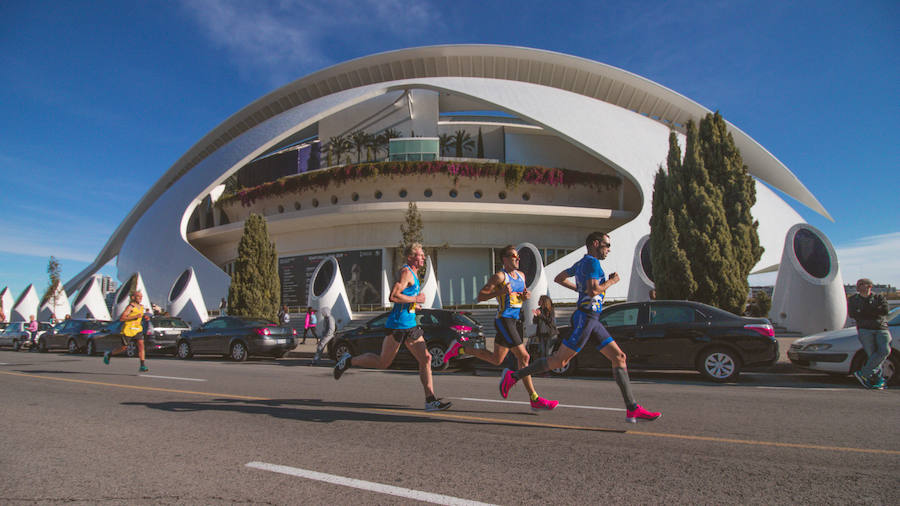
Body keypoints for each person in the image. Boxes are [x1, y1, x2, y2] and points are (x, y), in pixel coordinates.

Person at [498, 232, 661, 423]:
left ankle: (632, 409)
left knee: (619, 357)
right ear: (595, 243)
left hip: (593, 319)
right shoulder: (592, 263)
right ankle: (514, 375)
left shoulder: (582, 263)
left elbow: (559, 278)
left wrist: (579, 289)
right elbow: (593, 290)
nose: (609, 250)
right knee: (559, 361)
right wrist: (611, 282)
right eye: (607, 245)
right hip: (586, 318)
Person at [334, 243, 451, 412]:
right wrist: (415, 300)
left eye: (423, 255)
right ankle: (348, 360)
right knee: (383, 362)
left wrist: (413, 306)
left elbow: (405, 299)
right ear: (410, 257)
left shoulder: (415, 274)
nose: (423, 257)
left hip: (410, 324)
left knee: (426, 358)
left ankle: (430, 400)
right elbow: (393, 296)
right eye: (420, 255)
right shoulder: (406, 272)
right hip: (397, 325)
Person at [444, 245, 558, 411]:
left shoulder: (521, 276)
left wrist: (525, 296)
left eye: (518, 256)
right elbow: (481, 296)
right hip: (504, 320)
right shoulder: (499, 277)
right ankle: (533, 397)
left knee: (497, 359)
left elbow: (519, 296)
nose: (518, 259)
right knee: (524, 357)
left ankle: (460, 349)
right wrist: (500, 292)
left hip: (516, 320)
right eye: (514, 256)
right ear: (504, 259)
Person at [848, 278, 892, 390]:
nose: (861, 286)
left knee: (884, 351)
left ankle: (863, 373)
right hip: (864, 329)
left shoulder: (879, 297)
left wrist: (864, 311)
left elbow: (885, 311)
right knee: (872, 355)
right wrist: (873, 311)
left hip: (881, 328)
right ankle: (878, 381)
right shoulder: (853, 299)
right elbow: (853, 314)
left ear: (870, 286)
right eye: (859, 284)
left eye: (864, 284)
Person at [102, 291, 149, 372]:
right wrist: (135, 317)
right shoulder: (130, 307)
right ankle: (109, 354)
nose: (140, 298)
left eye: (141, 297)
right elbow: (122, 318)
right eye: (138, 296)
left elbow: (140, 316)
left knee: (141, 345)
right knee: (124, 347)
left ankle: (142, 365)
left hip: (138, 329)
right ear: (133, 297)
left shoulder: (141, 307)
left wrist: (145, 317)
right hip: (128, 329)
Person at [532, 295, 558, 360]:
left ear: (544, 301)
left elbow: (550, 321)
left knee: (548, 353)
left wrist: (540, 315)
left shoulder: (551, 310)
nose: (538, 301)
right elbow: (535, 322)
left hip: (550, 334)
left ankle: (548, 368)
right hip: (542, 334)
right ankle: (543, 368)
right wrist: (535, 316)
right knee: (542, 352)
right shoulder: (539, 309)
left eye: (540, 300)